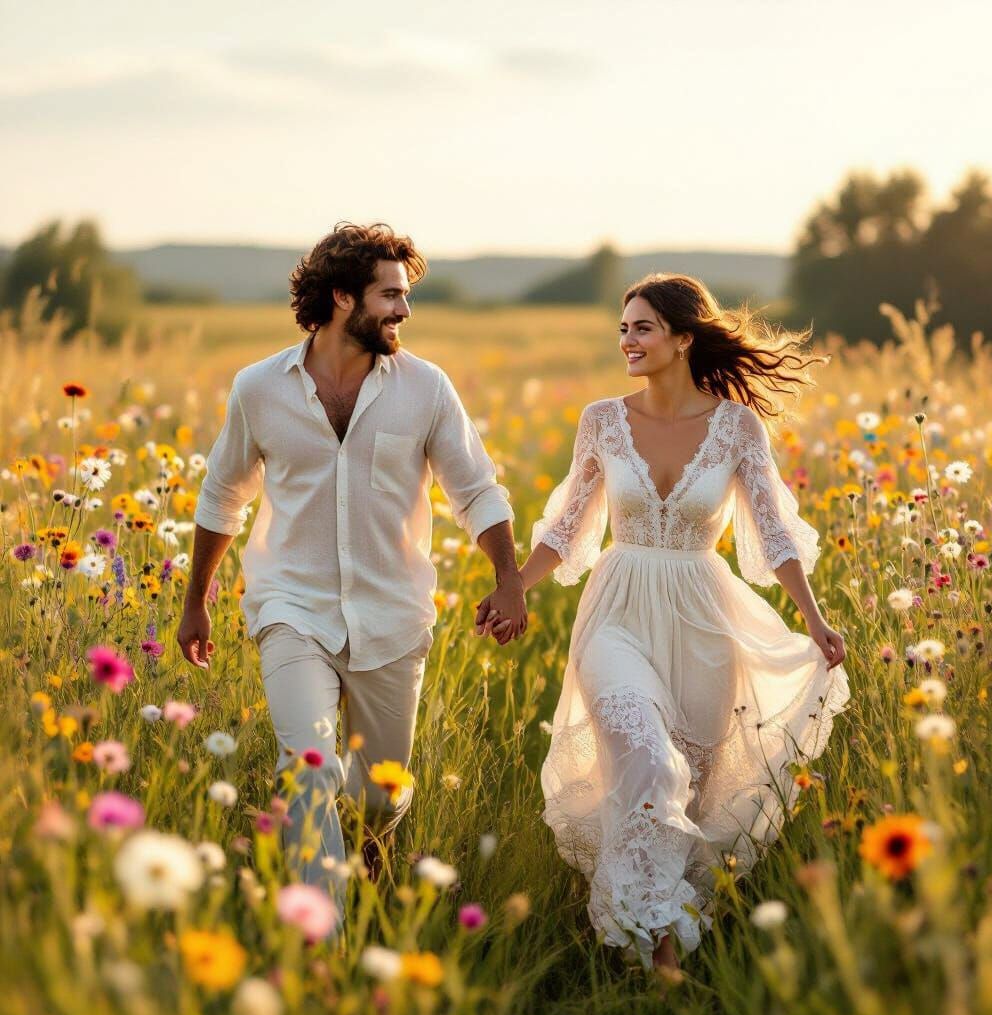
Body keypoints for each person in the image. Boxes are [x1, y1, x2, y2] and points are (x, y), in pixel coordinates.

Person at [478, 273, 850, 971]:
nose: (628, 340)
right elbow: (566, 527)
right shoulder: (602, 420)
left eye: (642, 328)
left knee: (692, 793)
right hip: (618, 611)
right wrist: (514, 589)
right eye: (623, 328)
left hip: (704, 622)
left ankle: (654, 935)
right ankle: (654, 946)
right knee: (646, 760)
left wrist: (816, 621)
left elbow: (773, 535)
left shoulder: (738, 426)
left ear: (684, 339)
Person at [177, 222, 526, 931]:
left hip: (392, 616)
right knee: (308, 768)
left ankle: (373, 853)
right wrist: (197, 602)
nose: (404, 311)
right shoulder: (259, 389)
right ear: (341, 297)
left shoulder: (426, 389)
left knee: (379, 796)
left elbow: (476, 490)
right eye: (390, 295)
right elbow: (222, 497)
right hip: (290, 607)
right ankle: (322, 942)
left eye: (406, 295)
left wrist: (509, 578)